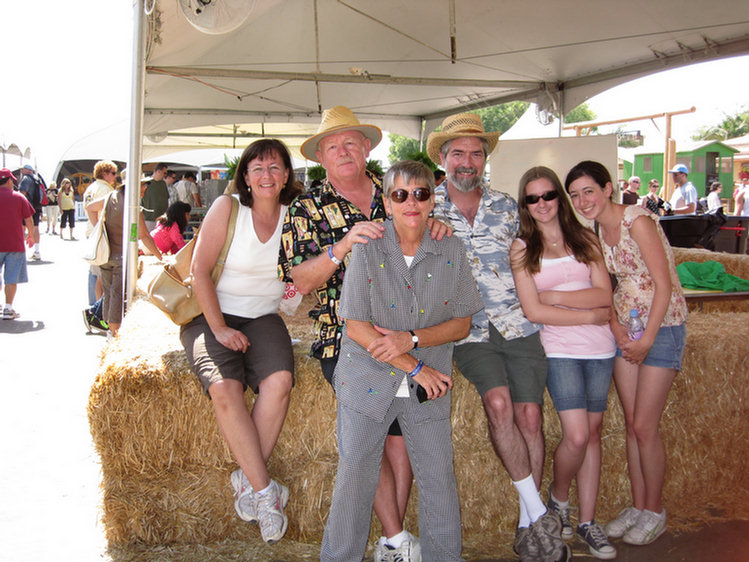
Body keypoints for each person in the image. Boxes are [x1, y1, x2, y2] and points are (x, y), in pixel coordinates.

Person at [279, 105, 449, 562]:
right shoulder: (306, 207)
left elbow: (436, 243)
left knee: (403, 439)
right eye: (332, 146)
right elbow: (300, 281)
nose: (343, 151)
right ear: (321, 157)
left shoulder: (401, 189)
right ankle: (396, 539)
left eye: (350, 142)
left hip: (408, 331)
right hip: (347, 337)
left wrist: (432, 225)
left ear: (367, 147)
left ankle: (393, 539)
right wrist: (341, 246)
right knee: (368, 437)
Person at [321, 160, 483, 562]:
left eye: (421, 193)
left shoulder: (450, 248)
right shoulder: (367, 248)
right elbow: (356, 326)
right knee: (355, 473)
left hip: (427, 382)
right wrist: (415, 364)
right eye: (400, 194)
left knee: (437, 476)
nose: (411, 201)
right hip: (372, 375)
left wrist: (410, 339)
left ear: (433, 200)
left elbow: (462, 322)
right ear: (387, 204)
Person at [426, 113, 569, 562]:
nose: (467, 161)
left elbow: (554, 247)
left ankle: (530, 527)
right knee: (500, 404)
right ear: (443, 159)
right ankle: (541, 513)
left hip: (520, 323)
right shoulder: (422, 209)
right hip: (468, 331)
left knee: (530, 417)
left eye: (475, 153)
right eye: (458, 153)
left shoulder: (510, 206)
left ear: (485, 158)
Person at [180, 139, 302, 544]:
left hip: (263, 317)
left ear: (287, 175)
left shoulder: (295, 216)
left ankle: (248, 478)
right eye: (258, 169)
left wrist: (293, 294)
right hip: (212, 313)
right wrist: (217, 329)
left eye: (274, 168)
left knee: (280, 381)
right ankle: (266, 494)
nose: (266, 176)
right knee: (225, 389)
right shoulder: (228, 208)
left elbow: (297, 277)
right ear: (246, 177)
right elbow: (199, 271)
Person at [565, 160, 688, 547]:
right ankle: (639, 505)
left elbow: (664, 284)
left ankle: (655, 511)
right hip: (628, 328)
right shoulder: (597, 232)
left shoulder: (638, 221)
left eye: (588, 191)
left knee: (645, 427)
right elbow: (609, 287)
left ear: (607, 188)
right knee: (633, 423)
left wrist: (649, 336)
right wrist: (618, 329)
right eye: (575, 195)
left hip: (662, 327)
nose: (582, 201)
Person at [510, 166, 617, 560]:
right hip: (559, 350)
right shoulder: (522, 248)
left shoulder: (585, 238)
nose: (542, 205)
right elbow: (533, 309)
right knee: (575, 435)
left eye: (548, 195)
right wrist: (584, 311)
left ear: (560, 198)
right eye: (532, 199)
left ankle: (587, 521)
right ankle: (558, 498)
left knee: (593, 433)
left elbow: (605, 294)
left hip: (601, 348)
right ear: (525, 205)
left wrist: (555, 297)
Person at [86, 175, 162, 337]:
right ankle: (115, 332)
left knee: (109, 293)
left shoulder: (110, 197)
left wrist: (99, 229)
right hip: (121, 257)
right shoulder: (133, 206)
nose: (145, 189)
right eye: (143, 186)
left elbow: (90, 207)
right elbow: (144, 236)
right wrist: (160, 257)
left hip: (106, 255)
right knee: (117, 296)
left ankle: (109, 330)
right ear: (135, 185)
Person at [0, 168, 35, 320]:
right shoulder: (19, 197)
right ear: (8, 181)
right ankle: (8, 308)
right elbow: (28, 219)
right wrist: (31, 236)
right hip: (15, 243)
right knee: (11, 277)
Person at [84, 161, 118, 307]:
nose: (115, 177)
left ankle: (94, 305)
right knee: (100, 274)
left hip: (92, 233)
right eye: (113, 173)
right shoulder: (106, 190)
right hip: (101, 235)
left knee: (94, 271)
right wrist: (100, 227)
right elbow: (96, 211)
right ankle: (97, 308)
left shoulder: (91, 188)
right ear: (105, 173)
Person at [18, 164, 45, 261]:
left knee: (23, 228)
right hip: (37, 206)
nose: (21, 170)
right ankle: (37, 251)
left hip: (27, 207)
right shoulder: (37, 179)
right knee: (36, 228)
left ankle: (21, 252)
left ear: (27, 170)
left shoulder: (26, 179)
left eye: (23, 169)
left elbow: (23, 193)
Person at [141, 163, 170, 231]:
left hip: (161, 219)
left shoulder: (163, 184)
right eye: (164, 173)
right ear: (158, 171)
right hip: (149, 219)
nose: (165, 175)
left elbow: (166, 200)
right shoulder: (146, 183)